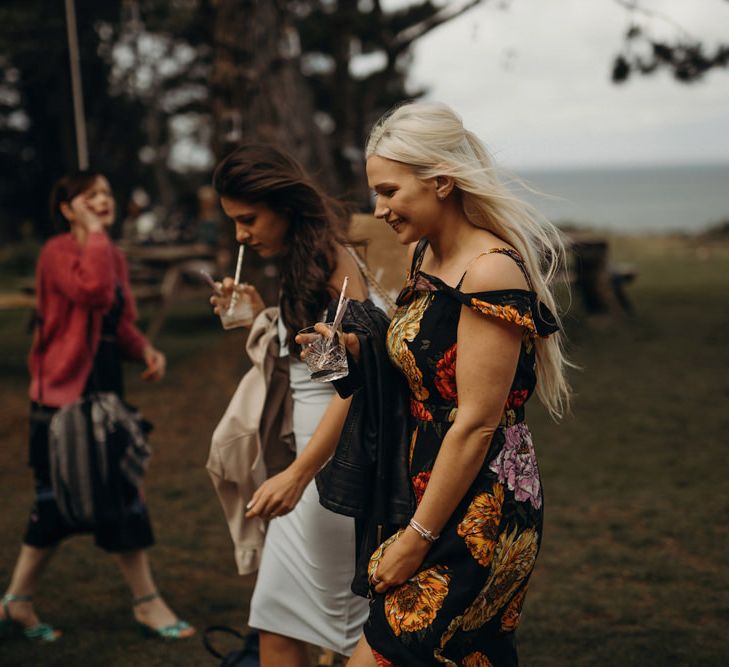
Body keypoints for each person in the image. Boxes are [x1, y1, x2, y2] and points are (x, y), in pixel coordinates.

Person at [339, 101, 571, 666]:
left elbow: (476, 421)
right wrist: (353, 349)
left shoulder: (488, 270)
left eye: (390, 191)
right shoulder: (428, 255)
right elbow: (426, 360)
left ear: (441, 180)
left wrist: (418, 536)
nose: (380, 209)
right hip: (420, 485)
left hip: (475, 506)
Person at [0, 171, 194, 642]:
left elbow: (119, 318)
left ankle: (17, 602)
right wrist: (98, 237)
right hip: (62, 395)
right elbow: (92, 292)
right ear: (67, 209)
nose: (104, 201)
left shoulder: (108, 253)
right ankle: (143, 603)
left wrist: (145, 349)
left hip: (104, 393)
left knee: (113, 490)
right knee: (67, 496)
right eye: (90, 197)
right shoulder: (58, 253)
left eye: (107, 193)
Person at [210, 144, 371, 666]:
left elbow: (351, 388)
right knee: (275, 623)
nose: (240, 234)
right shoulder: (305, 266)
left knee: (338, 635)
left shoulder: (329, 271)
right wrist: (262, 316)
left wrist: (300, 474)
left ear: (283, 204)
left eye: (248, 219)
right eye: (233, 222)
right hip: (304, 475)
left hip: (328, 479)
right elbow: (311, 362)